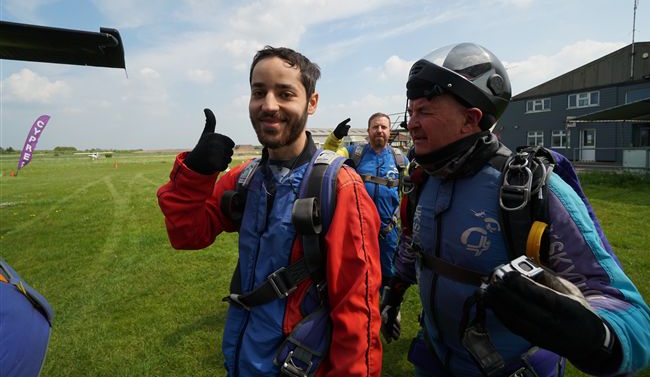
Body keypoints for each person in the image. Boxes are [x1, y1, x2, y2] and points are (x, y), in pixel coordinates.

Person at [380, 42, 650, 376]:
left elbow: (629, 312)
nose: (411, 124)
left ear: (469, 119)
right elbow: (414, 245)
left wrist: (599, 337)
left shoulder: (530, 189)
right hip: (433, 362)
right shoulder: (423, 180)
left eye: (425, 112)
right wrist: (394, 293)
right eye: (411, 112)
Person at [157, 46, 383, 377]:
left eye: (285, 93)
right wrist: (195, 175)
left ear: (312, 103)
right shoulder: (246, 178)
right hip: (243, 359)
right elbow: (188, 236)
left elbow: (358, 313)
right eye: (259, 92)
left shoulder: (340, 188)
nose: (269, 105)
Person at [324, 113, 408, 289]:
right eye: (375, 127)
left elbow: (413, 188)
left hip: (388, 231)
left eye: (383, 127)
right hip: (357, 228)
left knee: (388, 272)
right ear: (368, 131)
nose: (379, 130)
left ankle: (385, 302)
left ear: (389, 131)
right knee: (357, 272)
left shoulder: (400, 159)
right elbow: (327, 158)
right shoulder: (354, 153)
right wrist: (335, 138)